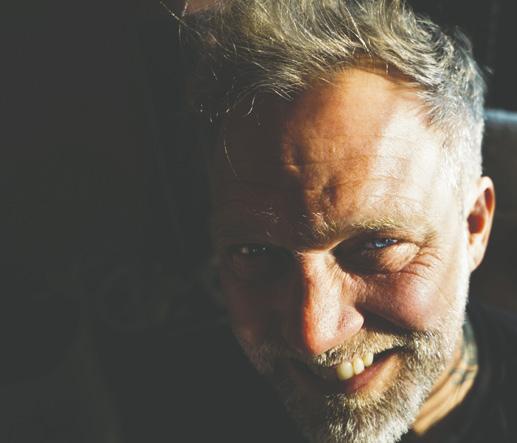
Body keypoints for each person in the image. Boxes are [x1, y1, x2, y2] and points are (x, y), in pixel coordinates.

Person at [172, 1, 517, 442]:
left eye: (375, 245)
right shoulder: (178, 409)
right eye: (255, 253)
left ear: (473, 225)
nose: (314, 336)